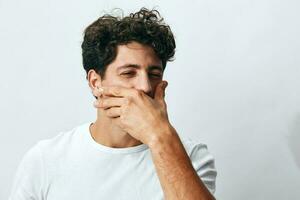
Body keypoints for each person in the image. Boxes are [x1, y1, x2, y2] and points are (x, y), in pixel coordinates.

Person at [9, 7, 217, 200]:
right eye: (129, 73)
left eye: (154, 74)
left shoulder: (190, 156)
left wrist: (159, 136)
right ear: (95, 82)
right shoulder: (46, 160)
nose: (145, 86)